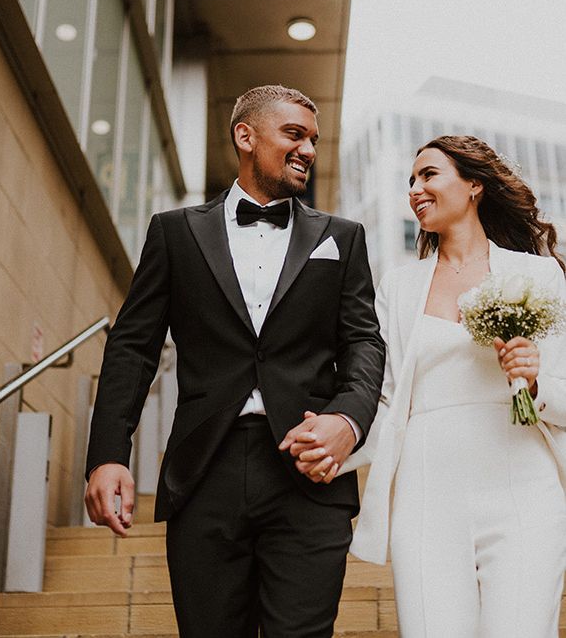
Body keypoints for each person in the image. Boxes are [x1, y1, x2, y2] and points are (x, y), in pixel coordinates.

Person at [84, 84, 385, 638]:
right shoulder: (173, 233)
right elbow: (132, 346)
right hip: (205, 472)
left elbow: (364, 342)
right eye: (294, 134)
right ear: (245, 135)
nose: (309, 150)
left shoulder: (343, 238)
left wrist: (349, 420)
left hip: (309, 473)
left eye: (313, 140)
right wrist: (107, 454)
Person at [293, 135, 566, 637]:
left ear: (475, 185)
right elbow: (388, 397)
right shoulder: (398, 287)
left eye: (429, 175)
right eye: (410, 181)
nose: (416, 189)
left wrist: (536, 378)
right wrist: (335, 441)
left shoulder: (539, 274)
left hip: (524, 488)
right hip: (427, 494)